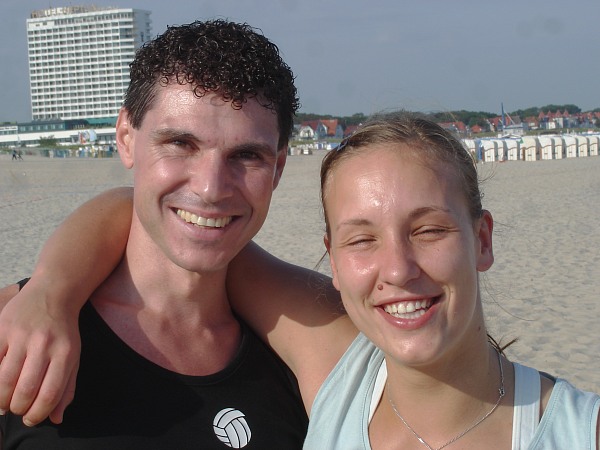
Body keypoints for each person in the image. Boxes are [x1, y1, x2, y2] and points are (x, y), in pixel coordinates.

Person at [2, 114, 599, 448]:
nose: (397, 270)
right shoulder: (336, 367)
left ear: (483, 239)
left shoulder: (579, 430)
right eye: (361, 239)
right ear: (332, 260)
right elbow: (150, 213)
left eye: (429, 230)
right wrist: (49, 294)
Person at [0, 19, 318, 449]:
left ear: (278, 168)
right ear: (126, 139)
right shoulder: (19, 333)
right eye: (180, 144)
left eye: (246, 155)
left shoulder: (297, 364)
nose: (210, 189)